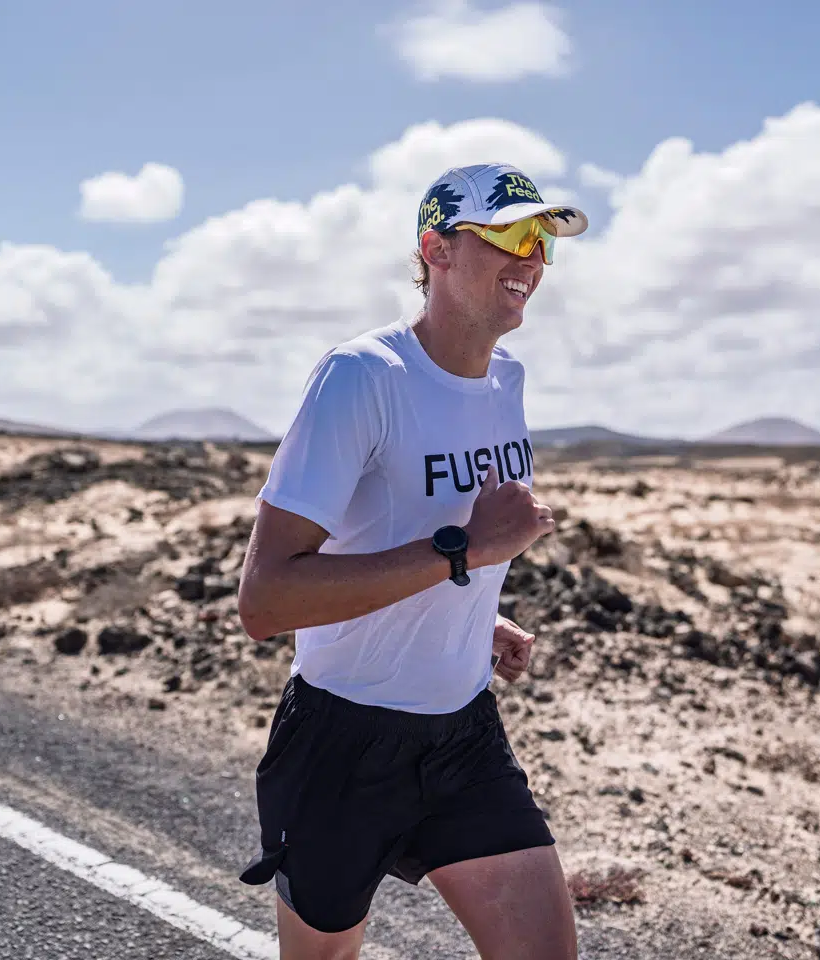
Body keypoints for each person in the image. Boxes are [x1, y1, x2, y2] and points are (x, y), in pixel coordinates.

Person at [237, 162, 589, 960]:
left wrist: (471, 608)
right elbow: (265, 601)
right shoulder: (362, 377)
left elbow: (414, 537)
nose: (531, 258)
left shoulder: (507, 379)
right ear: (435, 248)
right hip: (341, 741)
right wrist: (463, 554)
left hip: (463, 732)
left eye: (541, 241)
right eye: (509, 235)